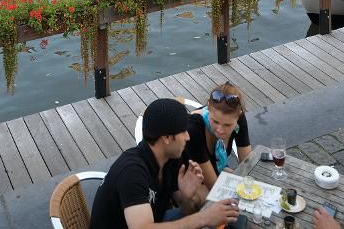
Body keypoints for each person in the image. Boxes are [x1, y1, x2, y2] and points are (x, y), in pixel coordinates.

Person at [90, 98, 239, 229]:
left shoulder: (170, 159)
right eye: (183, 131)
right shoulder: (132, 172)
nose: (188, 137)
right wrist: (204, 218)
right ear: (167, 138)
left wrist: (189, 196)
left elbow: (187, 211)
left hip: (156, 221)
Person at [183, 84, 252, 190]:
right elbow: (213, 186)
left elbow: (247, 165)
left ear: (238, 116)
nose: (220, 130)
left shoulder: (239, 119)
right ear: (208, 108)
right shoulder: (194, 129)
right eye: (215, 121)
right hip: (186, 180)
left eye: (227, 125)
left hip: (216, 169)